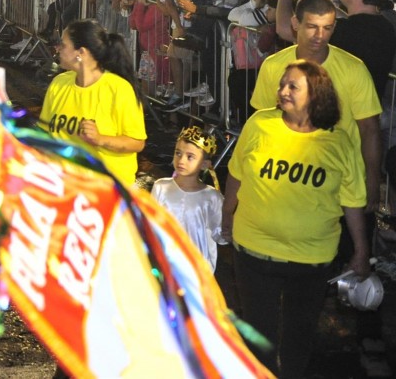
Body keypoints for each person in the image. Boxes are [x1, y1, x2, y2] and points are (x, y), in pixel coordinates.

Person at [221, 60, 369, 379]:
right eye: (282, 84)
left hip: (310, 259)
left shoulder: (338, 141)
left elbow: (352, 202)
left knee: (298, 336)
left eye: (293, 86)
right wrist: (226, 215)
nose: (282, 91)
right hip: (254, 251)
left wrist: (360, 250)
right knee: (259, 336)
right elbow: (236, 176)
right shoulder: (260, 123)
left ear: (316, 95)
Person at [250, 0, 381, 209]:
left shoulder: (354, 69)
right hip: (286, 179)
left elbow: (370, 129)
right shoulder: (273, 66)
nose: (320, 35)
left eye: (327, 28)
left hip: (341, 184)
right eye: (312, 26)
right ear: (295, 23)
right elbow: (261, 124)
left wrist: (373, 181)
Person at [39, 19, 146, 187]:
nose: (57, 48)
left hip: (106, 190)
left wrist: (100, 139)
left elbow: (137, 142)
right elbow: (45, 133)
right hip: (65, 186)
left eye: (63, 44)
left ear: (80, 52)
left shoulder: (118, 89)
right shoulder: (58, 83)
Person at [151, 126, 224, 270]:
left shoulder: (212, 197)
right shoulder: (161, 187)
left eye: (190, 157)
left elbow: (220, 235)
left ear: (204, 164)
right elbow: (151, 224)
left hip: (197, 270)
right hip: (165, 265)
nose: (181, 160)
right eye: (178, 153)